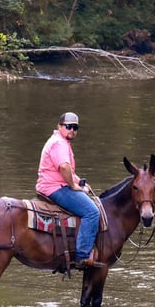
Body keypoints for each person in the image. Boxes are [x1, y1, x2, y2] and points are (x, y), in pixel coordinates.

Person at [36, 112, 101, 269]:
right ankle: (82, 256)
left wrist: (78, 181)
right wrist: (73, 186)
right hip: (55, 187)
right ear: (60, 126)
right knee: (92, 212)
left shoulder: (60, 141)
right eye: (69, 126)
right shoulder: (60, 144)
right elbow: (64, 167)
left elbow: (67, 169)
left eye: (75, 127)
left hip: (50, 184)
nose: (72, 130)